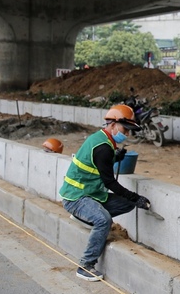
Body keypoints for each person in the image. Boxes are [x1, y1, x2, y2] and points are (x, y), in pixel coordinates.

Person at [59, 104, 152, 281]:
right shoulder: (102, 147)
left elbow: (101, 164)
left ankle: (88, 216)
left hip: (91, 194)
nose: (127, 134)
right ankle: (85, 265)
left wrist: (117, 157)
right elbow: (110, 181)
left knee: (127, 204)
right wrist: (136, 197)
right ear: (112, 124)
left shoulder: (105, 141)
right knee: (104, 220)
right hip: (76, 197)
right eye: (125, 129)